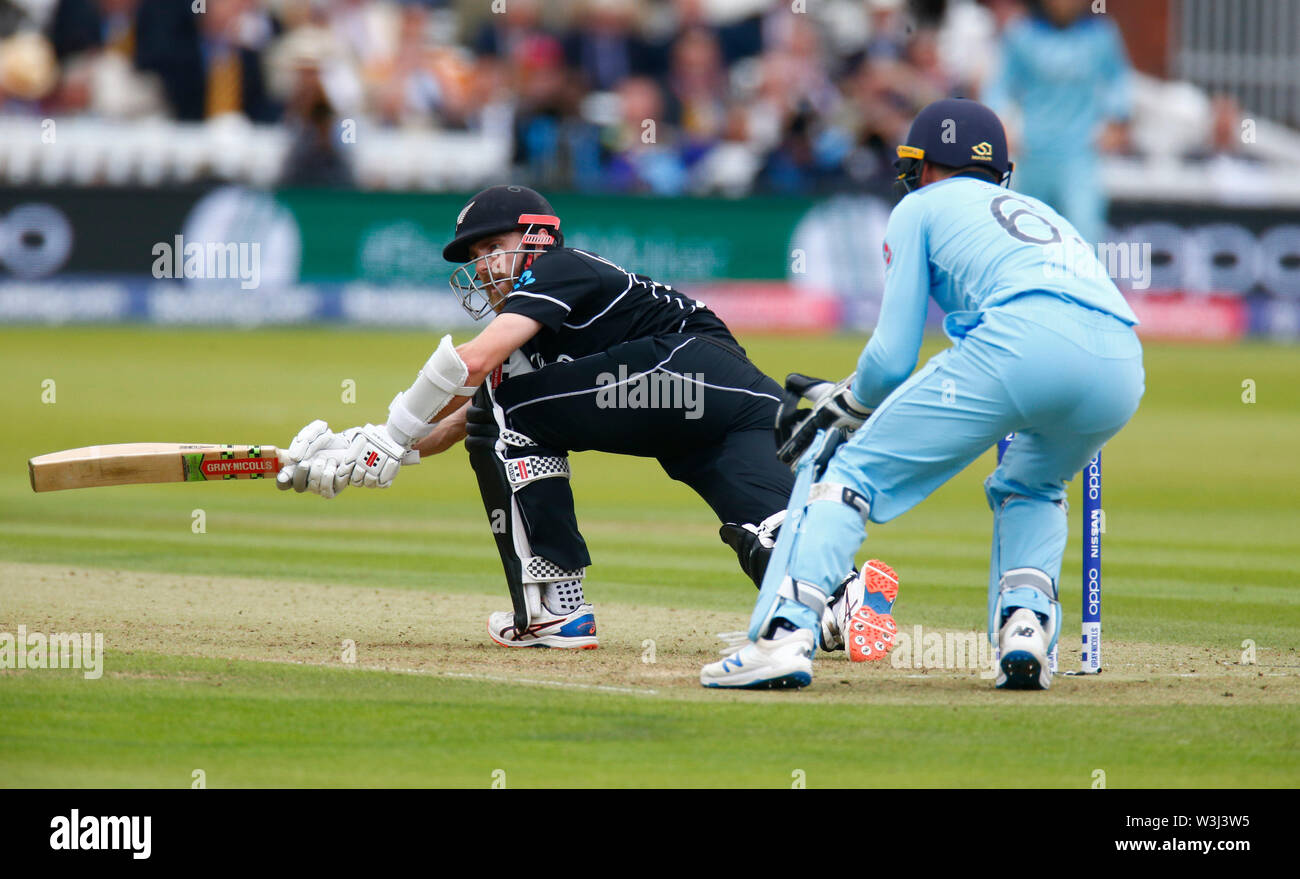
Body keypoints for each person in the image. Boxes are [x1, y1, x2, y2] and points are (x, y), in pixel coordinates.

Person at [277, 184, 893, 654]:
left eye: (493, 247)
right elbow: (461, 422)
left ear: (535, 238)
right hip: (733, 409)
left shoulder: (556, 267)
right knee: (767, 542)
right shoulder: (532, 331)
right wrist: (363, 449)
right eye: (475, 254)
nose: (483, 264)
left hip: (683, 371)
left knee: (507, 404)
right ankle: (847, 600)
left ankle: (555, 609)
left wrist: (389, 436)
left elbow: (473, 364)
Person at [702, 98, 1143, 691]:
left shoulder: (921, 206)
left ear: (927, 165)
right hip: (1120, 364)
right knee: (1033, 485)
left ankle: (785, 635)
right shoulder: (1041, 211)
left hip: (1020, 342)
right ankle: (1025, 628)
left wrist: (848, 404)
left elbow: (890, 359)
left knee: (844, 473)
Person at [981, 0, 1132, 244]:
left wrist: (1117, 120)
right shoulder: (1021, 33)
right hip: (1031, 152)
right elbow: (999, 86)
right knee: (1019, 235)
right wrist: (1002, 124)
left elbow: (1118, 81)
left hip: (1080, 154)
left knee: (1084, 235)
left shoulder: (1101, 34)